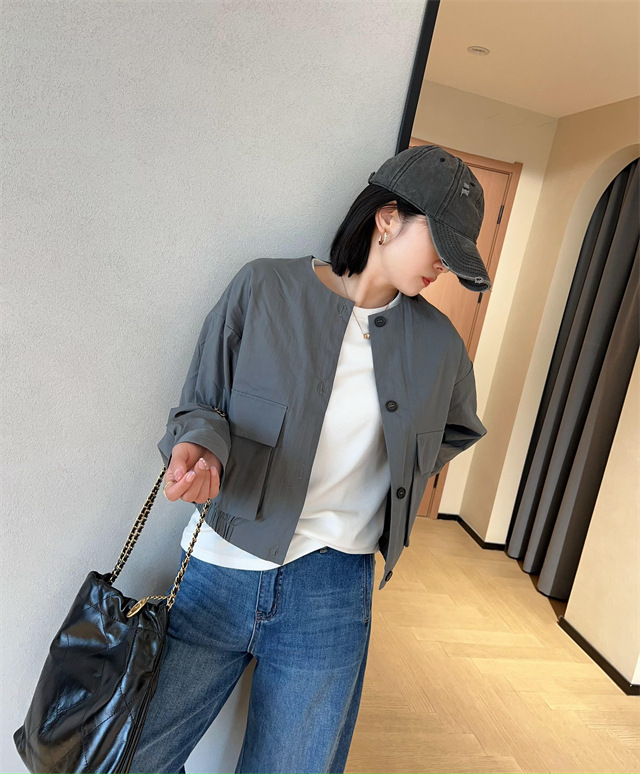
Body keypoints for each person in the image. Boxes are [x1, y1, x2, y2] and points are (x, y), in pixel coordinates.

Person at [128, 144, 491, 774]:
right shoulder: (264, 287)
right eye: (440, 242)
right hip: (219, 566)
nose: (443, 265)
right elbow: (203, 403)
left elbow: (456, 428)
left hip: (331, 592)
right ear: (387, 218)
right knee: (132, 757)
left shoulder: (439, 347)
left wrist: (397, 475)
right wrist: (200, 450)